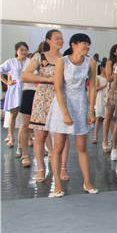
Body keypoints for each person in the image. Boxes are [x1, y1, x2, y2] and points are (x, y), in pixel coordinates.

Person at [45, 33, 98, 197]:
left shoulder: (90, 62)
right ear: (74, 45)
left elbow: (92, 87)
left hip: (81, 104)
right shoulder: (62, 62)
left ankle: (87, 182)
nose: (87, 47)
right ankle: (57, 183)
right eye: (84, 43)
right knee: (58, 146)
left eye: (88, 44)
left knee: (82, 146)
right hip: (63, 104)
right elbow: (58, 88)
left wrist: (91, 110)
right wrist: (65, 113)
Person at [22, 30, 70, 183]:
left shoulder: (66, 59)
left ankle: (62, 167)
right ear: (48, 40)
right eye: (57, 38)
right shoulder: (39, 57)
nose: (60, 40)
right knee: (40, 136)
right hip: (43, 98)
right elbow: (25, 76)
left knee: (63, 136)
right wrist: (48, 79)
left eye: (61, 38)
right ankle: (40, 168)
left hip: (61, 98)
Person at [15, 42, 45, 167]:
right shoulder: (33, 59)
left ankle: (47, 150)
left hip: (42, 94)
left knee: (42, 125)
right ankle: (23, 152)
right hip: (30, 92)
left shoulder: (52, 61)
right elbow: (26, 76)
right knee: (26, 124)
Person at [1, 41, 29, 151]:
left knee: (27, 116)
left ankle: (27, 138)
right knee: (13, 114)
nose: (24, 52)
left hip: (26, 89)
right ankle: (11, 137)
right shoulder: (11, 62)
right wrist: (6, 82)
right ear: (16, 51)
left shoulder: (29, 61)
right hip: (15, 89)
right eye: (21, 50)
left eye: (25, 49)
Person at [102, 44, 117, 153]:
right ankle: (105, 140)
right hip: (112, 90)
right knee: (108, 116)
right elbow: (109, 77)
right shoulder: (110, 62)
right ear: (114, 52)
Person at [92, 60, 108, 144]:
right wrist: (105, 84)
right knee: (98, 117)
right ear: (102, 68)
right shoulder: (98, 77)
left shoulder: (110, 77)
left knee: (109, 117)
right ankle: (95, 135)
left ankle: (113, 135)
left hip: (107, 97)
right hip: (101, 97)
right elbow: (96, 88)